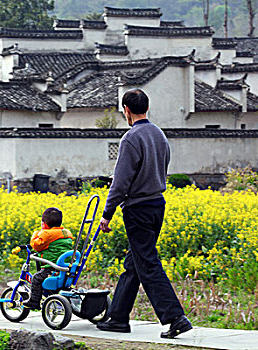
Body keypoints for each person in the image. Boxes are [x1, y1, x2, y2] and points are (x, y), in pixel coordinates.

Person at [97, 89, 192, 338]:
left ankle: (174, 317)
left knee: (147, 262)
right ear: (146, 108)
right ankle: (117, 317)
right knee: (135, 263)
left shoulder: (131, 138)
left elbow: (121, 181)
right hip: (157, 204)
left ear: (126, 110)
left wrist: (108, 212)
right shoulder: (159, 135)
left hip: (137, 208)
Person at [22, 207, 73, 310]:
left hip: (51, 268)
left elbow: (36, 245)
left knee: (36, 278)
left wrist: (36, 234)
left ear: (44, 224)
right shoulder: (66, 233)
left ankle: (34, 301)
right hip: (65, 268)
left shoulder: (47, 234)